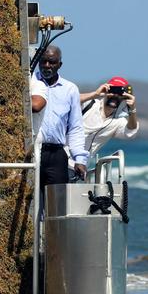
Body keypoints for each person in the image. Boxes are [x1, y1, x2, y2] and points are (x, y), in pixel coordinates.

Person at [34, 45, 88, 189]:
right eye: (43, 61)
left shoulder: (70, 89)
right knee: (29, 199)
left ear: (59, 64)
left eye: (51, 62)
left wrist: (80, 159)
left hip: (56, 153)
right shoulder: (31, 84)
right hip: (32, 150)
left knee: (56, 204)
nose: (47, 66)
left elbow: (75, 127)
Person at [76, 76, 139, 160]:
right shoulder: (89, 104)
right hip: (61, 157)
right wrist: (95, 94)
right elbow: (70, 100)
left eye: (119, 93)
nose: (115, 96)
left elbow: (130, 132)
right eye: (113, 91)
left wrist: (132, 109)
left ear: (124, 97)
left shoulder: (118, 121)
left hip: (79, 166)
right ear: (106, 90)